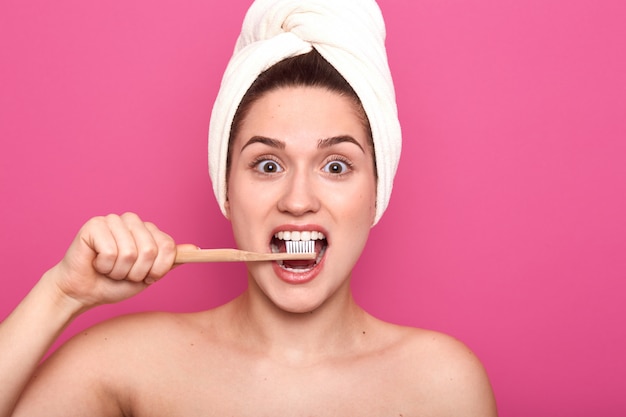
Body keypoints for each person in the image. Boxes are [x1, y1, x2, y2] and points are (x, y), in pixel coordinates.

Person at [1, 0, 497, 415]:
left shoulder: (441, 384)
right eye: (267, 165)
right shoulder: (122, 365)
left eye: (336, 166)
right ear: (225, 188)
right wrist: (60, 295)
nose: (298, 201)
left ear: (376, 194)